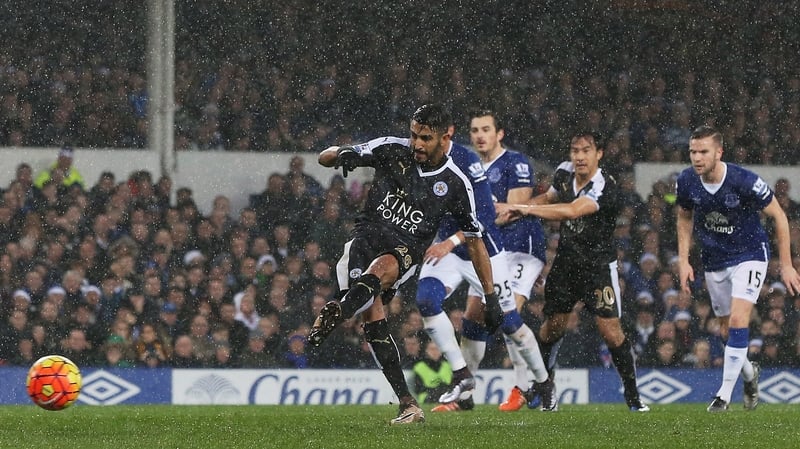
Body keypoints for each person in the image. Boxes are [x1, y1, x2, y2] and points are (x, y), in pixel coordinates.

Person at [309, 103, 502, 424]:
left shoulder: (455, 183)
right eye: (414, 135)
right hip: (364, 241)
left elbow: (475, 240)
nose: (417, 144)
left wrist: (491, 294)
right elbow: (325, 156)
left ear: (445, 137)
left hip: (404, 251)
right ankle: (408, 403)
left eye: (425, 138)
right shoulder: (390, 149)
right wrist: (342, 155)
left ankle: (341, 310)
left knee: (382, 271)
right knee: (373, 320)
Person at [397, 109, 549, 413]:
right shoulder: (419, 157)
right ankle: (462, 380)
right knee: (430, 301)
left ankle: (542, 384)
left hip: (487, 250)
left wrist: (450, 240)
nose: (419, 144)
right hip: (450, 249)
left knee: (508, 322)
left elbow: (488, 217)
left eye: (486, 129)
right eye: (475, 129)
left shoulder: (472, 164)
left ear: (446, 135)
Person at [497, 130, 650, 412]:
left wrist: (521, 208)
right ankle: (546, 389)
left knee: (611, 332)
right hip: (566, 264)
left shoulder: (605, 186)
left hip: (598, 268)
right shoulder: (564, 172)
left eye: (586, 151)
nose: (579, 157)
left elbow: (570, 210)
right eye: (575, 150)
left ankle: (633, 395)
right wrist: (524, 207)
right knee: (551, 328)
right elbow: (550, 198)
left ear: (599, 153)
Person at [675, 125, 800, 412]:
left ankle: (723, 395)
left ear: (719, 152)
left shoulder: (744, 180)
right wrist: (683, 260)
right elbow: (683, 218)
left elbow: (779, 217)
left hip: (750, 254)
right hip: (714, 260)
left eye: (703, 151)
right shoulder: (686, 181)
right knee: (724, 330)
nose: (696, 157)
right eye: (693, 151)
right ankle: (748, 374)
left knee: (738, 320)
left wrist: (787, 265)